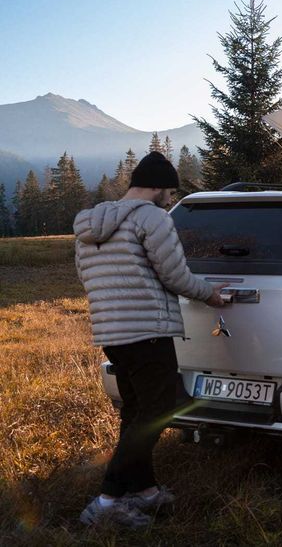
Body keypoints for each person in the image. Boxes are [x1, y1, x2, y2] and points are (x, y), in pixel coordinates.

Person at [73, 151, 227, 527]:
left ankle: (144, 490)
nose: (171, 200)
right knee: (157, 411)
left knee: (136, 411)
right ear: (157, 187)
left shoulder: (90, 224)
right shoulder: (152, 218)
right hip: (149, 331)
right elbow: (174, 275)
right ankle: (107, 503)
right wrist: (210, 294)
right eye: (170, 193)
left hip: (112, 332)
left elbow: (85, 277)